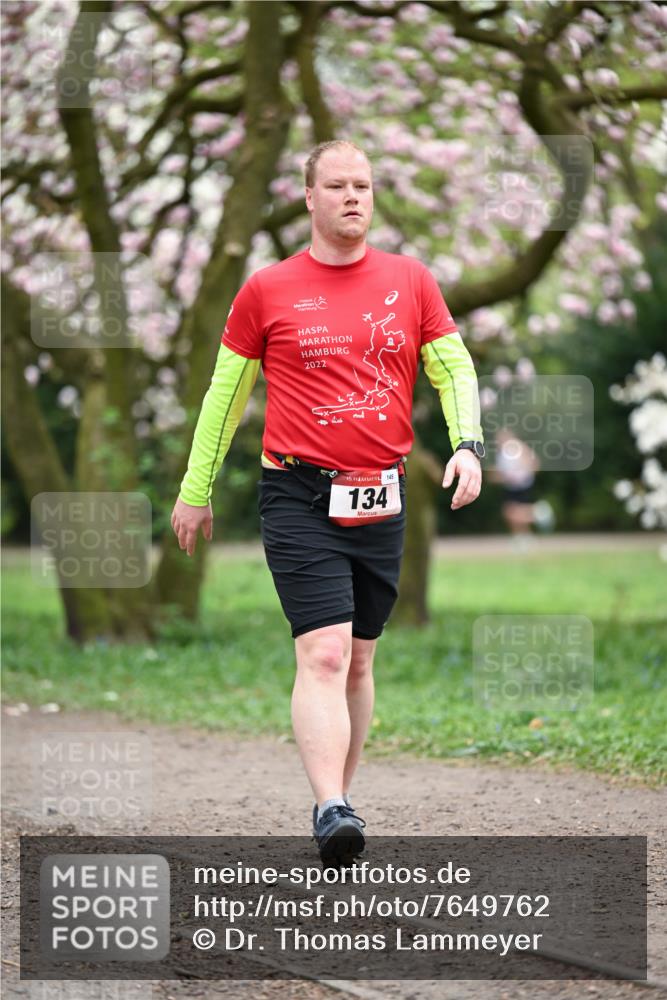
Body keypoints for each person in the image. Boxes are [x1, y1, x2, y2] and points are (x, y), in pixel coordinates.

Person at [170, 140, 484, 867]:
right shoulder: (266, 290)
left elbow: (453, 367)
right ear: (307, 197)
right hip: (296, 493)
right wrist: (195, 491)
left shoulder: (409, 282)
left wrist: (467, 443)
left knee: (360, 661)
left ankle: (334, 807)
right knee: (323, 651)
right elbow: (226, 396)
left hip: (381, 493)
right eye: (337, 185)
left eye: (364, 185)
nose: (352, 197)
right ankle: (331, 804)